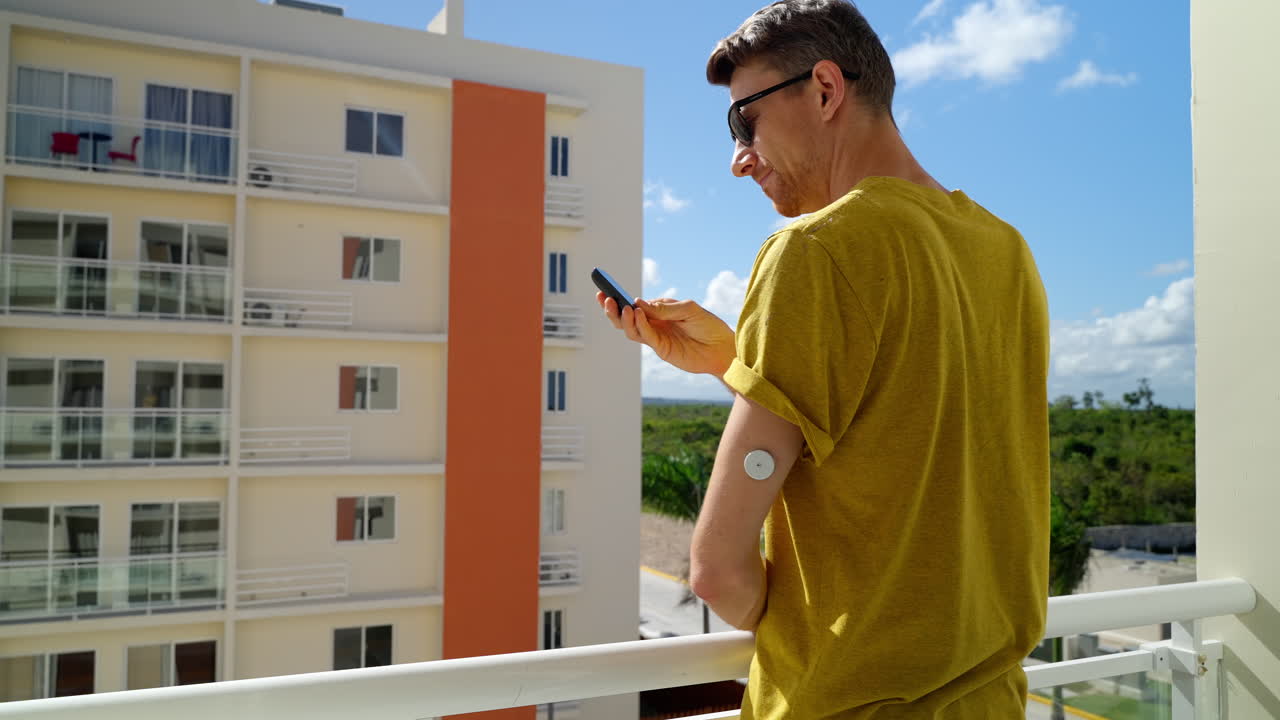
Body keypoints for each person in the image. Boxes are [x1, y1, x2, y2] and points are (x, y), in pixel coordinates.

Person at [599, 0, 1050, 717]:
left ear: (825, 89)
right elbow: (910, 436)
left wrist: (809, 623)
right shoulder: (1004, 250)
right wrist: (735, 363)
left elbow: (714, 574)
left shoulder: (814, 250)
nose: (739, 157)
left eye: (744, 120)